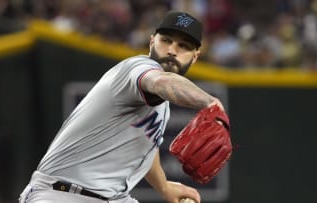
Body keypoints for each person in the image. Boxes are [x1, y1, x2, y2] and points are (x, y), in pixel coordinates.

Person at [19, 11, 225, 203]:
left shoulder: (161, 107)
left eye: (183, 46)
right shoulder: (137, 69)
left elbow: (144, 144)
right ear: (152, 41)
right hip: (62, 194)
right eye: (166, 40)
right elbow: (161, 82)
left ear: (195, 56)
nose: (172, 50)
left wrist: (164, 187)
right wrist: (210, 102)